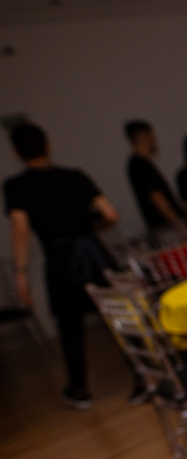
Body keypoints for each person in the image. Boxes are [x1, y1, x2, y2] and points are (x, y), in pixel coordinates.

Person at [4, 122, 136, 408]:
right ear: (48, 145)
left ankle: (79, 389)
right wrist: (87, 229)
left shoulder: (17, 186)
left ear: (16, 152)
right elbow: (111, 215)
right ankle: (144, 377)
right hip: (94, 253)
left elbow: (21, 229)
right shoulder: (75, 176)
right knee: (119, 317)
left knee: (70, 326)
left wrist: (21, 273)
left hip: (61, 261)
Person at [124, 120, 187, 237]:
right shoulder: (140, 165)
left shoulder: (139, 163)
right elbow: (156, 196)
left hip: (165, 227)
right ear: (145, 136)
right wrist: (178, 223)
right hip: (166, 229)